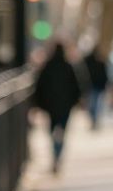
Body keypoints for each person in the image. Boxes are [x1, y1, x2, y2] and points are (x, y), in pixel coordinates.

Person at [33, 41, 83, 173]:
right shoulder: (68, 67)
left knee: (52, 130)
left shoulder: (47, 67)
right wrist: (75, 102)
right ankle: (57, 155)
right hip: (65, 106)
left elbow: (39, 87)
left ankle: (55, 154)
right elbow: (77, 87)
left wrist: (39, 104)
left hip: (51, 106)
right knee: (62, 131)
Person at [81, 46, 110, 129]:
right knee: (94, 104)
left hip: (96, 86)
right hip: (93, 86)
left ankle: (94, 119)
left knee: (95, 104)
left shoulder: (98, 62)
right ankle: (93, 119)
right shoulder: (95, 62)